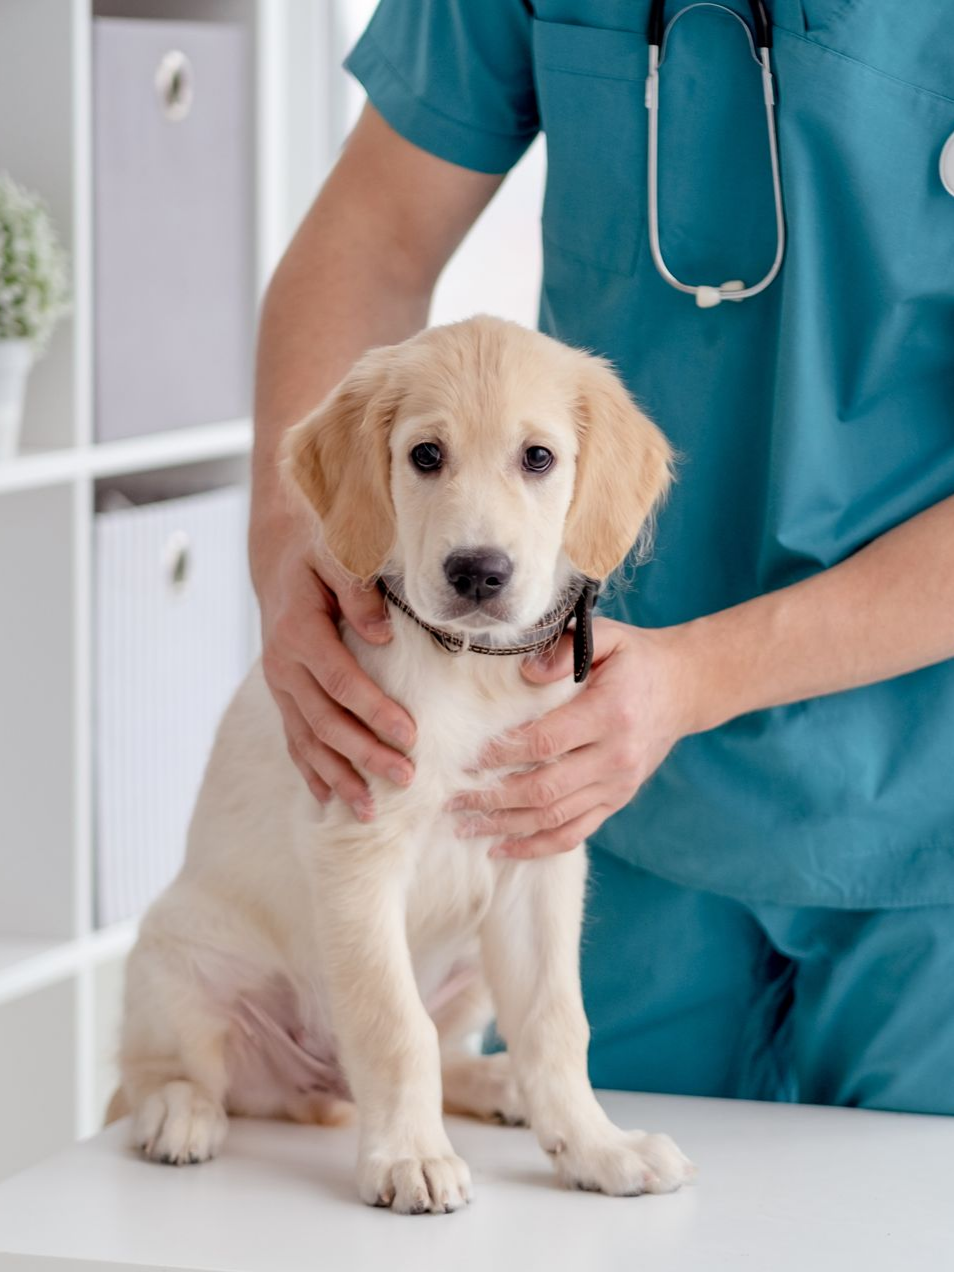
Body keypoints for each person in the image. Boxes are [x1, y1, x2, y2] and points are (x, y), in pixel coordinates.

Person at [250, 0, 954, 1114]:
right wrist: (297, 539)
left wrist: (701, 676)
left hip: (921, 811)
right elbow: (373, 237)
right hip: (599, 805)